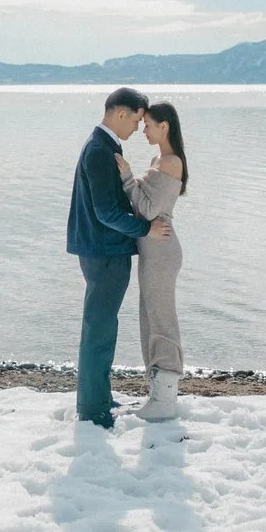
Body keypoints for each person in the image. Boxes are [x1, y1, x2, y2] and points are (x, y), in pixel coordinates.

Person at [64, 85, 162, 428]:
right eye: (136, 120)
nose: (137, 128)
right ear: (121, 114)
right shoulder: (99, 151)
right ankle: (92, 410)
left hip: (99, 250)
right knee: (99, 329)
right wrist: (145, 229)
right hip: (104, 252)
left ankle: (98, 398)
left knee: (102, 326)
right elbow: (106, 212)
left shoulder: (103, 146)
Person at [117, 99, 189, 420]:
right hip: (152, 248)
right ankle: (158, 393)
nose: (143, 129)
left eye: (148, 124)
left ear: (164, 126)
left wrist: (128, 177)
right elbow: (145, 206)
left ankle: (165, 399)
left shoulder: (171, 162)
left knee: (161, 318)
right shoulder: (157, 160)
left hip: (161, 250)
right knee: (149, 317)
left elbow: (146, 210)